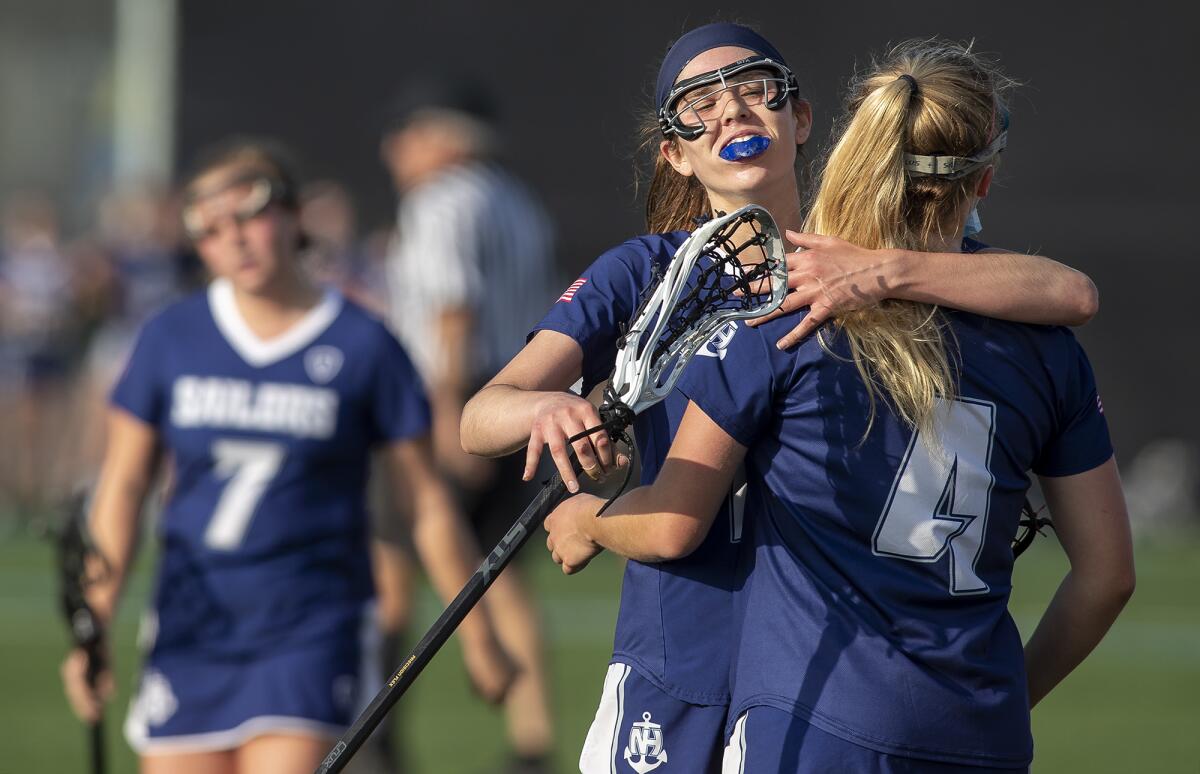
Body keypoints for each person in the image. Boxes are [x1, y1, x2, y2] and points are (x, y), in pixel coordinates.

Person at [462, 22, 1109, 774]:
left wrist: (882, 271)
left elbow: (1070, 291)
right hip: (681, 657)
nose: (732, 110)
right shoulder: (643, 271)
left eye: (755, 89)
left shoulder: (857, 267)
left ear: (802, 121)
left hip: (818, 675)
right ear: (675, 151)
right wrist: (550, 409)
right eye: (701, 103)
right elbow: (482, 416)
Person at [58, 138, 514, 774]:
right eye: (211, 229)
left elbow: (426, 504)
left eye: (250, 215)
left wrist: (480, 633)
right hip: (191, 624)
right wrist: (96, 620)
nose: (235, 240)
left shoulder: (364, 345)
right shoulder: (170, 337)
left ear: (295, 216)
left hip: (312, 627)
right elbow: (123, 486)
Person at [380, 76, 558, 772]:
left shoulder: (440, 201)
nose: (396, 146)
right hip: (520, 397)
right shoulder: (517, 200)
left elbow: (453, 308)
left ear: (448, 136)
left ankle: (377, 737)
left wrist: (451, 414)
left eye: (412, 130)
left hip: (453, 403)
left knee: (391, 566)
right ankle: (532, 742)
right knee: (501, 576)